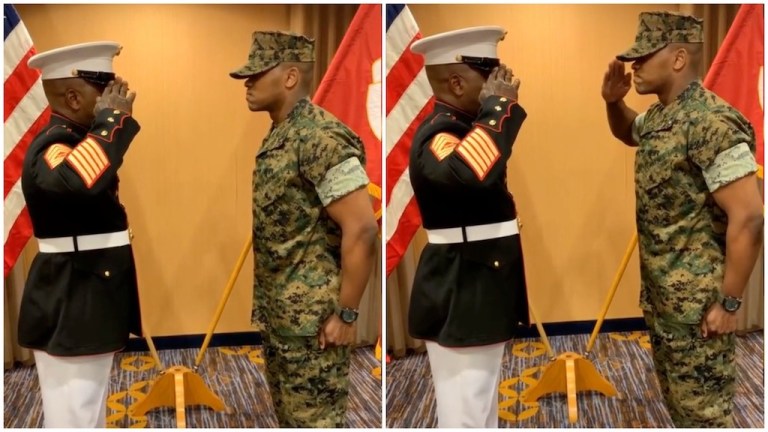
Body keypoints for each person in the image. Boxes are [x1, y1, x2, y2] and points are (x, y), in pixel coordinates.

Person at [602, 11, 763, 428]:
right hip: (663, 302)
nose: (634, 65)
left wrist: (729, 303)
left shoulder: (711, 122)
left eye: (643, 56)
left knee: (705, 417)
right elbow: (626, 132)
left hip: (700, 311)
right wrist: (612, 102)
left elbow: (749, 219)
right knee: (679, 407)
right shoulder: (660, 117)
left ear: (677, 59)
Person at [229, 30, 378, 428]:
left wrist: (346, 315)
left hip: (315, 326)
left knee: (315, 422)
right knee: (291, 419)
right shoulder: (283, 132)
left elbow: (362, 229)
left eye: (258, 73)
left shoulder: (319, 137)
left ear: (290, 77)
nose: (248, 82)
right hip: (283, 318)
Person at [407, 26, 530, 428]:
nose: (501, 81)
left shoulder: (460, 127)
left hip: (475, 283)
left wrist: (493, 110)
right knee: (466, 412)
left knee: (476, 406)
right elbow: (467, 174)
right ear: (458, 81)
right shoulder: (441, 133)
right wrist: (498, 109)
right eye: (490, 73)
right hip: (464, 288)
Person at [18, 41, 142, 427]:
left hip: (85, 293)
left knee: (87, 410)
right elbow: (75, 182)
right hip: (73, 299)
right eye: (104, 89)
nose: (114, 96)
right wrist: (111, 124)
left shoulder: (74, 138)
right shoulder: (54, 145)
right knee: (74, 416)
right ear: (73, 96)